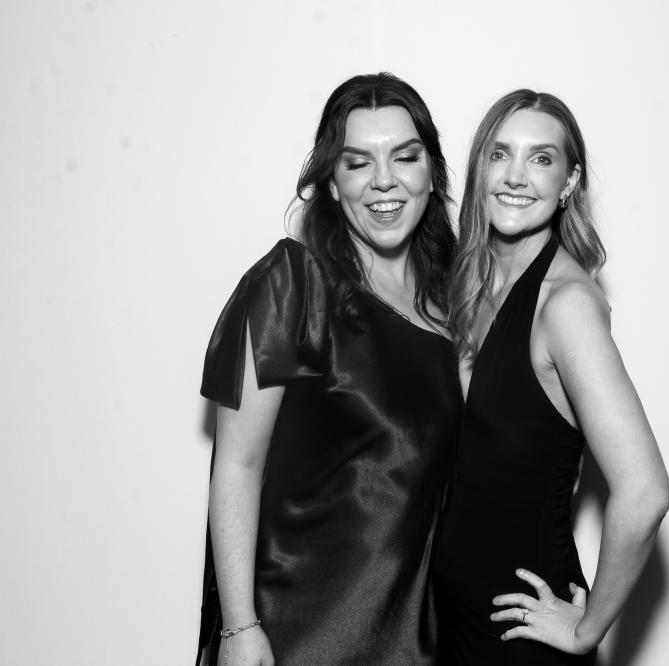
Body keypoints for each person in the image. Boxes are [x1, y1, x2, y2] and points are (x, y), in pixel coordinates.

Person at [195, 73, 461, 666]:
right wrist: (238, 629)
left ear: (432, 173)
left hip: (420, 638)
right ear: (333, 185)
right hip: (299, 633)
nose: (384, 180)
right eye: (357, 163)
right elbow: (237, 464)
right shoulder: (294, 285)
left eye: (405, 157)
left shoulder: (458, 305)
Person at [433, 90, 669, 665]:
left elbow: (645, 493)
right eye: (500, 154)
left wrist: (587, 630)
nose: (516, 175)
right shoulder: (468, 284)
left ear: (569, 182)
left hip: (522, 636)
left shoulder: (566, 306)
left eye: (541, 158)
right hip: (455, 624)